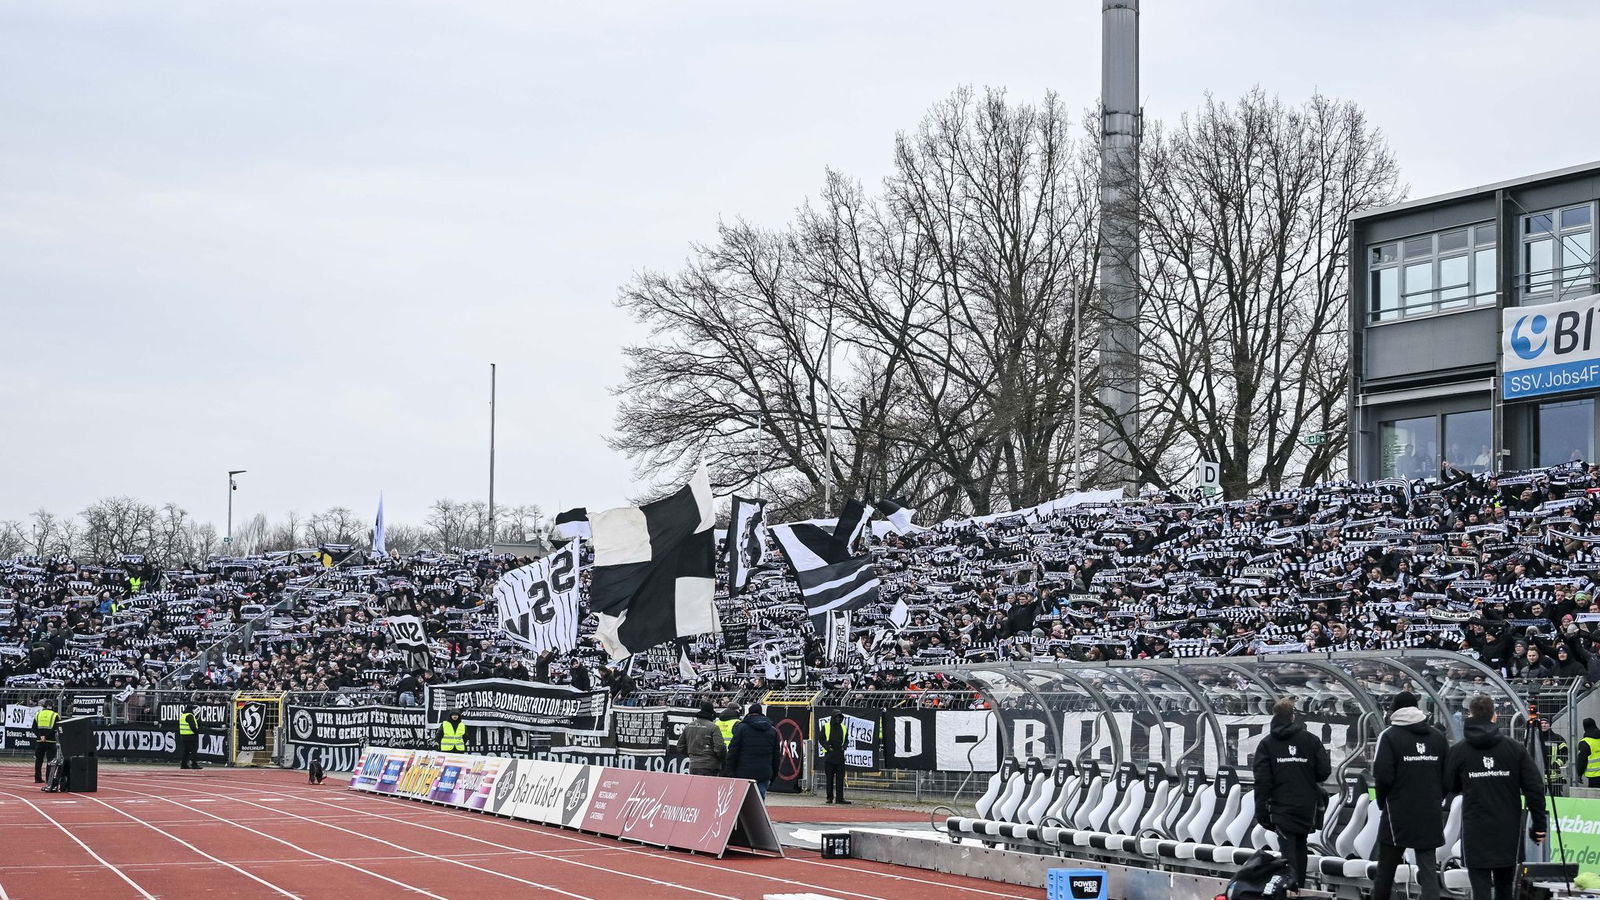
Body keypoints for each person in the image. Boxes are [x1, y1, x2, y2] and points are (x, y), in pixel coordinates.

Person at [1445, 695, 1547, 900]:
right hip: (1507, 829)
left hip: (1475, 828)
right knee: (1504, 887)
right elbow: (1535, 788)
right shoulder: (1514, 749)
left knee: (1480, 889)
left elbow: (1448, 786)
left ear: (1469, 715)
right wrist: (1538, 826)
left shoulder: (1459, 751)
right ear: (1495, 716)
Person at [1370, 691, 1448, 900]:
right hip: (1429, 809)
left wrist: (1382, 801)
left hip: (1398, 811)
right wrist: (1437, 797)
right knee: (1428, 868)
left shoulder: (1389, 736)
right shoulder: (1438, 737)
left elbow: (1382, 775)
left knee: (1386, 869)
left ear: (1395, 710)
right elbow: (1447, 774)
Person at [1251, 697, 1330, 893]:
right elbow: (1323, 771)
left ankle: (1290, 891)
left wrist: (1261, 811)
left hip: (1281, 806)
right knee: (1301, 846)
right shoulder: (1310, 740)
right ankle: (1299, 889)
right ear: (1293, 717)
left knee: (1287, 850)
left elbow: (1262, 781)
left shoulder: (1267, 744)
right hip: (1306, 805)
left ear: (1275, 717)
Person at [724, 702, 780, 798]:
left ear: (749, 713)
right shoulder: (772, 730)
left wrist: (730, 771)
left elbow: (733, 751)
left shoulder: (741, 728)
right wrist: (774, 774)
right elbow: (776, 756)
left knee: (743, 800)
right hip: (764, 771)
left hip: (743, 772)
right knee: (759, 801)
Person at [676, 704, 726, 776]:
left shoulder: (688, 726)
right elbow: (720, 747)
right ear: (712, 714)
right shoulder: (714, 727)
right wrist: (723, 760)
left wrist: (692, 756)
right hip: (710, 766)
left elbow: (680, 746)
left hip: (693, 765)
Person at [819, 710, 850, 804]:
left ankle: (840, 798)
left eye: (840, 717)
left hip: (840, 756)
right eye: (836, 717)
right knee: (829, 779)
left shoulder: (844, 728)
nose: (838, 719)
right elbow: (821, 739)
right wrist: (827, 747)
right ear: (833, 718)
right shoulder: (826, 727)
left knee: (840, 779)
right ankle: (829, 798)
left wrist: (845, 746)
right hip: (829, 757)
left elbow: (846, 740)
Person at [1537, 717, 1569, 792]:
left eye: (1546, 723)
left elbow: (1565, 754)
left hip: (1554, 777)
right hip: (1539, 776)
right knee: (1539, 800)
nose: (1544, 725)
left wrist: (1556, 764)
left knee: (1557, 798)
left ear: (1550, 725)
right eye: (1541, 723)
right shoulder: (1535, 738)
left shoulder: (1558, 738)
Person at [32, 701, 59, 784]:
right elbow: (55, 728)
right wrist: (46, 736)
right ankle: (48, 779)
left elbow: (34, 728)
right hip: (50, 741)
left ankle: (37, 778)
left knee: (38, 760)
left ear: (44, 706)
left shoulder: (38, 714)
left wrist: (40, 736)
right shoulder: (55, 715)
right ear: (52, 706)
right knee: (50, 761)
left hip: (40, 741)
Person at [1576, 718, 1600, 787]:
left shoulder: (1585, 742)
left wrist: (1579, 774)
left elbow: (1582, 760)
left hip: (1594, 776)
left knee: (1595, 796)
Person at [177, 704, 201, 770]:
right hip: (191, 735)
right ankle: (194, 764)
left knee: (186, 751)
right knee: (194, 750)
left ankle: (183, 764)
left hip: (184, 736)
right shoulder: (190, 716)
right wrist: (197, 732)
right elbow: (193, 726)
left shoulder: (183, 715)